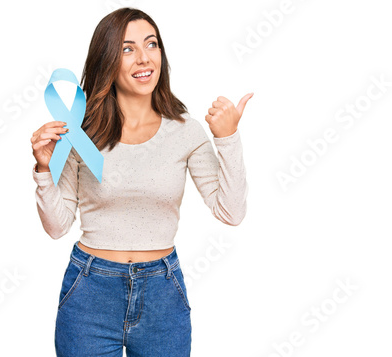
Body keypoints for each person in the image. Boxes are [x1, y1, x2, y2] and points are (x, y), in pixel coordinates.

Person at [30, 7, 252, 357]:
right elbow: (57, 228)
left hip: (162, 296)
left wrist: (228, 138)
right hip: (90, 292)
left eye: (152, 44)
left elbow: (232, 211)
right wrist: (44, 169)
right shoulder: (81, 134)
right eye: (127, 48)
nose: (144, 57)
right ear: (107, 60)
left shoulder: (185, 132)